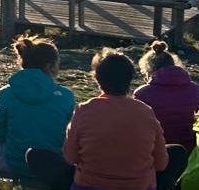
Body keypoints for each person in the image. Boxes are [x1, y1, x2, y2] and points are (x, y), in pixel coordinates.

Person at [27, 48, 186, 190]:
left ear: (97, 79)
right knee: (177, 152)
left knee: (35, 155)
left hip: (89, 185)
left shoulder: (84, 110)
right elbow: (161, 164)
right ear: (130, 79)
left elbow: (70, 157)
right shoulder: (145, 112)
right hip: (138, 185)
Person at [0, 35, 76, 179]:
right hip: (53, 165)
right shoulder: (66, 96)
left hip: (15, 165)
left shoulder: (7, 92)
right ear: (49, 66)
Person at [133, 41, 199, 151]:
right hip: (191, 152)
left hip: (155, 152)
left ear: (149, 71)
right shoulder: (198, 90)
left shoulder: (142, 95)